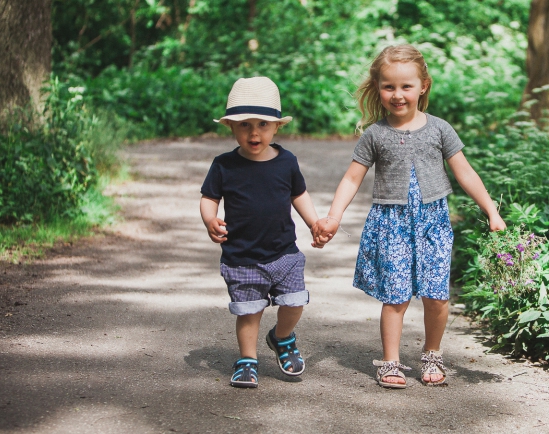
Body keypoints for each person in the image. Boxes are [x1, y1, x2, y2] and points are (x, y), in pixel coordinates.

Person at [312, 44, 506, 388]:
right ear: (378, 89)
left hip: (433, 223)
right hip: (392, 225)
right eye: (389, 87)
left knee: (437, 295)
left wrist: (490, 209)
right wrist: (333, 216)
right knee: (396, 295)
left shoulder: (440, 129)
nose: (397, 95)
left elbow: (465, 172)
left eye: (406, 86)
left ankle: (432, 353)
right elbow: (352, 177)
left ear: (423, 86)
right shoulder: (375, 134)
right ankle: (390, 361)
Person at [200, 76, 322, 388]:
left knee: (295, 302)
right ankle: (247, 360)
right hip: (242, 257)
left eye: (263, 124)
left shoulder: (286, 162)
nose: (254, 132)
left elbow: (299, 195)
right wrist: (209, 219)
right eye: (245, 125)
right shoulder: (224, 165)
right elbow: (209, 198)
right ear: (231, 127)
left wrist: (314, 223)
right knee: (249, 312)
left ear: (277, 127)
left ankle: (281, 338)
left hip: (284, 253)